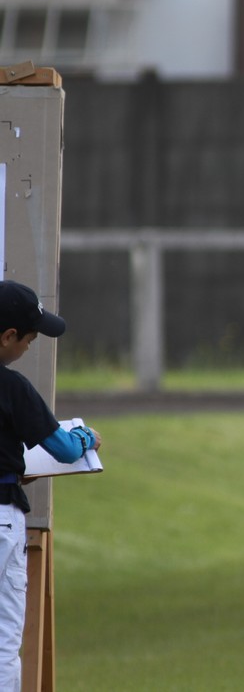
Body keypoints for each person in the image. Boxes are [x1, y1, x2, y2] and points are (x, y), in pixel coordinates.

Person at [0, 280, 101, 690]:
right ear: (8, 336)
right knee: (4, 645)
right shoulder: (13, 387)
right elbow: (61, 448)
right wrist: (86, 437)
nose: (29, 347)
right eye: (29, 339)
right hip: (2, 518)